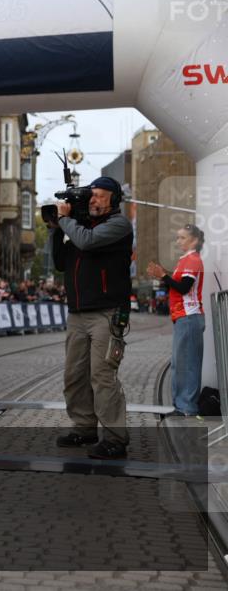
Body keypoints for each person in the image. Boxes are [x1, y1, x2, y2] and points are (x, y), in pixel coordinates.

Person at [50, 176, 133, 460]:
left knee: (102, 375)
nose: (93, 200)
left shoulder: (118, 225)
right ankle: (84, 428)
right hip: (77, 313)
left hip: (107, 313)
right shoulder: (80, 227)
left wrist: (66, 220)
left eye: (99, 195)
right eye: (91, 195)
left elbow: (88, 242)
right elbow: (60, 262)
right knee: (74, 375)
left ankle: (115, 438)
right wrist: (56, 228)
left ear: (114, 199)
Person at [146, 224, 206, 417]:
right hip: (184, 317)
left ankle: (186, 407)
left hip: (189, 316)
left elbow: (183, 288)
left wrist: (164, 275)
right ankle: (181, 405)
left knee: (187, 364)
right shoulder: (185, 260)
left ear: (194, 240)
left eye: (182, 237)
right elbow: (177, 286)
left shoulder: (192, 260)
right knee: (180, 363)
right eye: (178, 237)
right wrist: (163, 276)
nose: (178, 241)